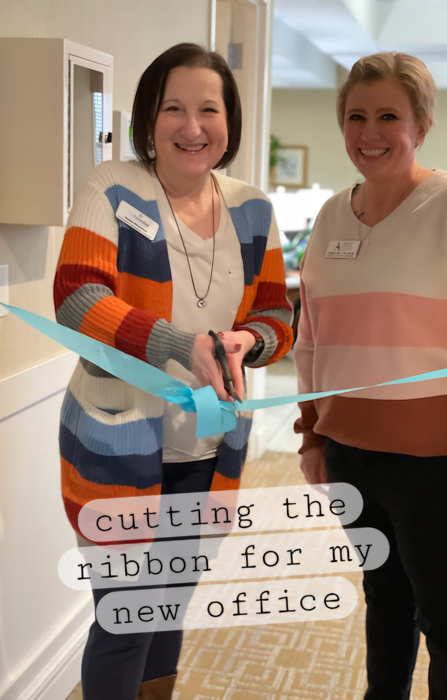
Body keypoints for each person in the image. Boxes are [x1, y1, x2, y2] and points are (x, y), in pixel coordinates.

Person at [54, 43, 293, 700]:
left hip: (208, 446)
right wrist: (179, 344)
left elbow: (277, 315)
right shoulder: (113, 186)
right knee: (127, 617)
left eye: (208, 109)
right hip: (118, 444)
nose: (192, 127)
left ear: (229, 120)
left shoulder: (252, 209)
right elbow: (77, 300)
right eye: (174, 109)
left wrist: (247, 340)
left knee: (169, 604)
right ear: (149, 119)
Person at [294, 52, 447, 700]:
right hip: (352, 456)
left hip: (436, 465)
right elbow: (311, 343)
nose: (369, 132)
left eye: (388, 115)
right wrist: (313, 436)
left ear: (422, 124)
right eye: (356, 116)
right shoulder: (328, 218)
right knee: (384, 597)